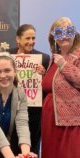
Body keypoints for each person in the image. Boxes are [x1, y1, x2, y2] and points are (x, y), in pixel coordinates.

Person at [8, 24, 50, 154]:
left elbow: (47, 85)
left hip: (34, 110)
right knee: (12, 142)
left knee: (32, 144)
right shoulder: (8, 55)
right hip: (11, 107)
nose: (31, 42)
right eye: (27, 38)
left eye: (33, 38)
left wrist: (43, 74)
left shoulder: (44, 58)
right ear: (18, 39)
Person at [41, 17, 80, 158]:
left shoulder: (78, 55)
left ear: (74, 33)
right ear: (54, 36)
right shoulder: (53, 57)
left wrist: (64, 65)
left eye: (68, 31)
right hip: (50, 118)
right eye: (59, 32)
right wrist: (43, 75)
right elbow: (54, 84)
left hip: (70, 122)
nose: (64, 36)